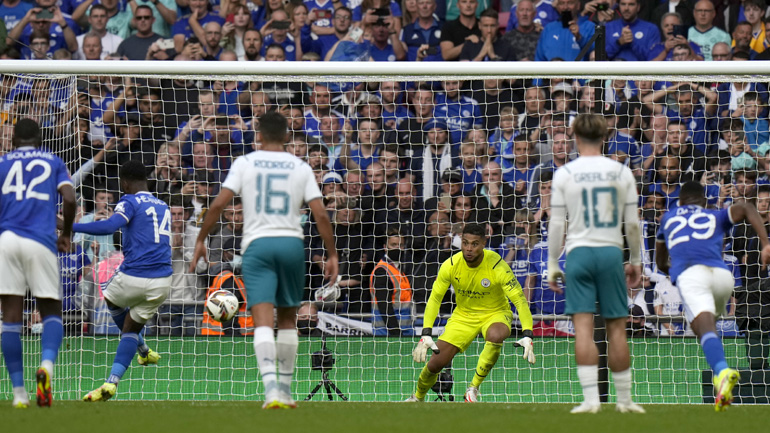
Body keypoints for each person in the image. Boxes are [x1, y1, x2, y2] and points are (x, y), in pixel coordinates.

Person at [191, 111, 338, 409]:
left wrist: (200, 239)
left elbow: (219, 204)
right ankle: (285, 390)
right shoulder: (300, 166)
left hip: (258, 246)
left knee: (261, 321)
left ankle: (271, 390)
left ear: (258, 134)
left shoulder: (245, 163)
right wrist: (332, 253)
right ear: (287, 136)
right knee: (286, 321)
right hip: (291, 245)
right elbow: (320, 214)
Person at [547, 113, 644, 413]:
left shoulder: (564, 173)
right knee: (616, 329)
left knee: (584, 330)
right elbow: (632, 224)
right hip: (610, 252)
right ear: (605, 136)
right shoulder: (620, 171)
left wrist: (552, 262)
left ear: (574, 136)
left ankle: (590, 401)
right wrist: (636, 260)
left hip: (578, 253)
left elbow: (556, 225)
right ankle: (625, 401)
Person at [656, 181, 770, 411]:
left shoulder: (668, 218)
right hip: (722, 277)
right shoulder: (714, 215)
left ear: (680, 202)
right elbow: (747, 207)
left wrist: (672, 270)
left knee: (703, 327)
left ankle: (722, 372)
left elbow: (660, 262)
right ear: (704, 201)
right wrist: (766, 243)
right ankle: (719, 371)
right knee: (706, 326)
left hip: (692, 275)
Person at [406, 223, 535, 403]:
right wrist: (426, 333)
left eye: (474, 244)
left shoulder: (498, 265)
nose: (468, 248)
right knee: (435, 364)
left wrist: (527, 333)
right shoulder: (450, 264)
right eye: (465, 243)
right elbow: (435, 298)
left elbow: (519, 299)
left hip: (495, 313)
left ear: (484, 243)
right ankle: (417, 398)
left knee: (496, 335)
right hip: (463, 316)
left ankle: (473, 388)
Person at [76, 160, 172, 402]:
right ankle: (114, 380)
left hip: (134, 276)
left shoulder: (129, 201)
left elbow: (110, 226)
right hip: (163, 282)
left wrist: (70, 225)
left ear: (125, 182)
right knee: (131, 327)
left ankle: (141, 349)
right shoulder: (162, 205)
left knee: (109, 298)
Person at [0, 118, 76, 408]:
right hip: (40, 240)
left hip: (7, 240)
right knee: (51, 308)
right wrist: (66, 232)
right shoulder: (52, 160)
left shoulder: (3, 162)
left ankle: (19, 394)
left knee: (10, 317)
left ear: (13, 141)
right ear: (40, 140)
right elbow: (69, 198)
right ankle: (46, 366)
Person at [370, 227, 413, 336]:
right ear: (385, 247)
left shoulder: (398, 270)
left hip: (405, 329)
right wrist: (396, 333)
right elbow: (384, 306)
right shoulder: (382, 271)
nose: (398, 248)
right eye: (393, 245)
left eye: (401, 245)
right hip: (388, 334)